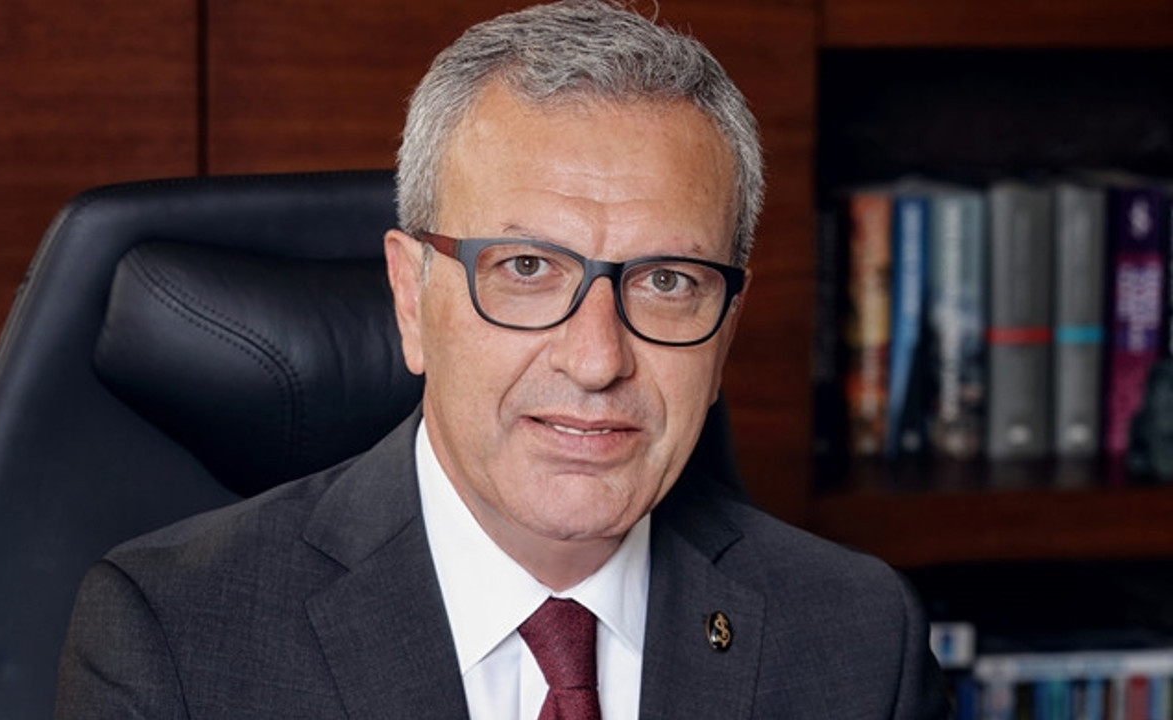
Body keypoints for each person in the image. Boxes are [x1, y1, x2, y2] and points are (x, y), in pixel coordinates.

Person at [55, 1, 950, 718]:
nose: (597, 360)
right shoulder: (175, 640)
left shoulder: (861, 641)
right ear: (410, 298)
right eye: (527, 269)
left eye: (667, 281)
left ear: (726, 331)